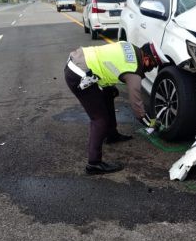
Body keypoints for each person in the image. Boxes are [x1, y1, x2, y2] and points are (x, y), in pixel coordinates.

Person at [64, 41, 169, 175]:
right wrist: (152, 124)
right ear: (147, 58)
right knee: (99, 119)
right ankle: (94, 164)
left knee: (109, 94)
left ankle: (112, 135)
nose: (151, 69)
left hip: (79, 60)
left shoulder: (129, 46)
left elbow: (109, 62)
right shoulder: (133, 72)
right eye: (153, 65)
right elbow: (137, 108)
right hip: (78, 74)